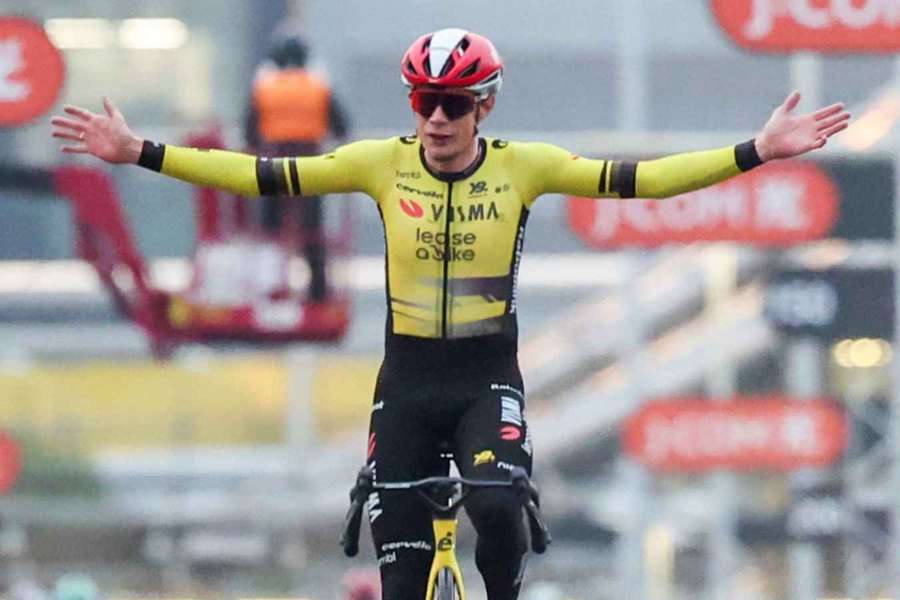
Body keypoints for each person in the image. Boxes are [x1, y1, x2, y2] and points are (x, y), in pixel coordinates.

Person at [50, 27, 850, 600]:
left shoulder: (526, 168)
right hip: (406, 382)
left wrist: (756, 151)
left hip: (484, 378)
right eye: (425, 100)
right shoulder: (378, 162)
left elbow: (641, 181)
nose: (437, 118)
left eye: (454, 103)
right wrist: (142, 153)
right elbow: (259, 177)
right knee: (398, 584)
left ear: (485, 106)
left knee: (498, 508)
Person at [245, 35, 350, 301]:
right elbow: (341, 126)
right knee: (312, 231)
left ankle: (271, 290)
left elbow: (250, 130)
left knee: (271, 232)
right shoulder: (318, 85)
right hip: (310, 162)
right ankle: (318, 292)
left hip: (272, 162)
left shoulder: (264, 86)